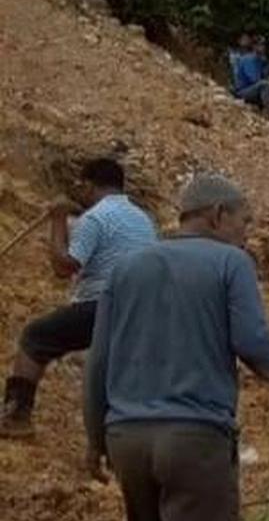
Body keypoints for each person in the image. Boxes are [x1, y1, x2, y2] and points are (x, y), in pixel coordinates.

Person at [83, 174, 269, 521]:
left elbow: (98, 362)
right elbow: (257, 351)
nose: (245, 233)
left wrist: (95, 439)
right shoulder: (229, 263)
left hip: (126, 437)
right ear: (218, 215)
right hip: (194, 438)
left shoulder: (127, 268)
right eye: (244, 221)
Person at [1, 159, 157, 439]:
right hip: (144, 310)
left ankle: (16, 417)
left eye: (81, 186)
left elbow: (63, 267)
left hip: (104, 306)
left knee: (34, 338)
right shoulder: (142, 219)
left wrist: (59, 221)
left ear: (88, 184)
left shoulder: (95, 218)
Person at [233, 36, 269, 109]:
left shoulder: (260, 60)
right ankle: (268, 110)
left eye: (263, 45)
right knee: (265, 84)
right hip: (243, 90)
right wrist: (267, 79)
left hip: (253, 88)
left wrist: (267, 68)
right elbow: (254, 79)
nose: (263, 47)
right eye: (260, 45)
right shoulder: (248, 59)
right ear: (254, 46)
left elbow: (264, 75)